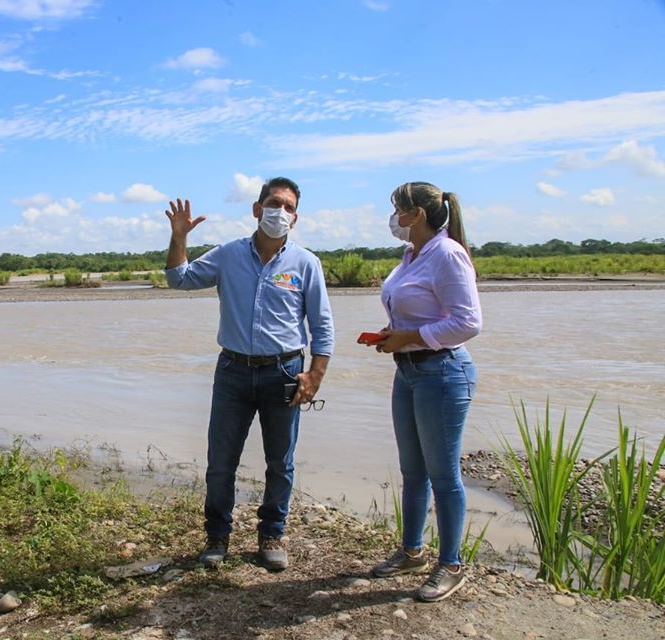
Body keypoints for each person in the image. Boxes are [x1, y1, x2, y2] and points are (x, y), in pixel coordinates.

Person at [164, 177, 335, 571]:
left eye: (289, 206)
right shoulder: (228, 255)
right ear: (257, 209)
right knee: (221, 460)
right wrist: (178, 238)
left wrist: (314, 376)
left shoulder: (306, 263)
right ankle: (217, 536)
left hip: (285, 372)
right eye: (274, 203)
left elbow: (322, 327)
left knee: (280, 461)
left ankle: (272, 532)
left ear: (296, 217)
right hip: (234, 372)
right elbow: (179, 278)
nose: (281, 211)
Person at [363, 181, 481, 602]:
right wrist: (393, 335)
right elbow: (424, 311)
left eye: (397, 208)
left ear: (416, 214)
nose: (393, 216)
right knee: (412, 471)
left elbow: (468, 322)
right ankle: (411, 550)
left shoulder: (448, 254)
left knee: (444, 476)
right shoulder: (411, 254)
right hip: (409, 372)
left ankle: (451, 565)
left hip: (443, 374)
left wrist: (411, 335)